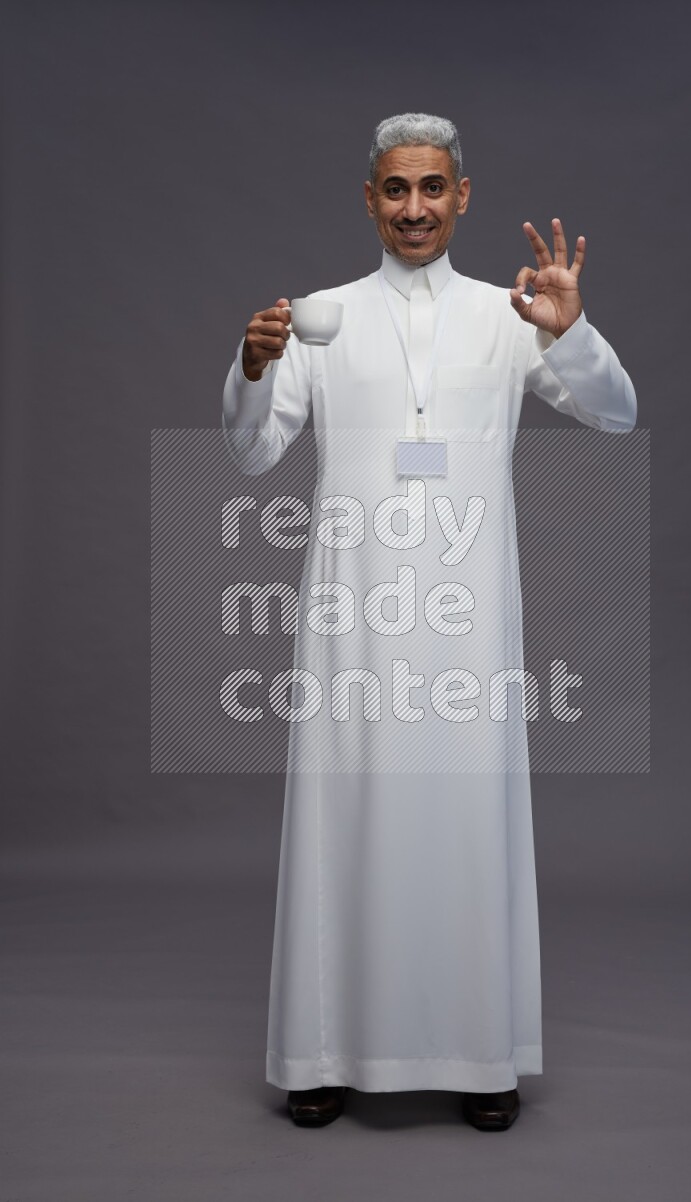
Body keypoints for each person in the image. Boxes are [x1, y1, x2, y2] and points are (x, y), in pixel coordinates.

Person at [222, 112, 636, 1131]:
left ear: (462, 197)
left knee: (466, 818)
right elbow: (252, 454)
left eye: (433, 187)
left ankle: (479, 1053)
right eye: (397, 189)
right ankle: (321, 1052)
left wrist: (568, 330)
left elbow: (615, 413)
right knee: (344, 815)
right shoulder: (318, 317)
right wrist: (253, 365)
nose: (415, 208)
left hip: (467, 614)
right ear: (369, 199)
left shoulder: (509, 314)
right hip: (352, 611)